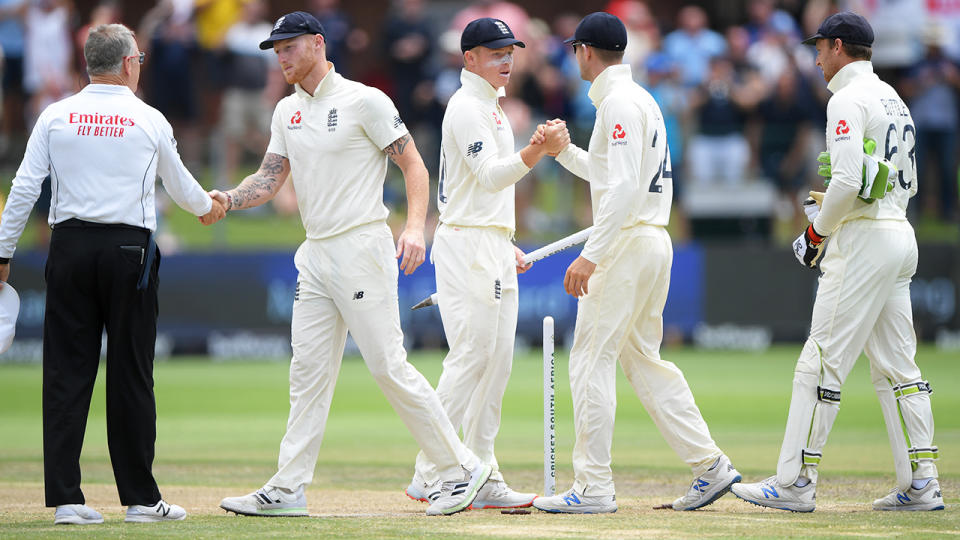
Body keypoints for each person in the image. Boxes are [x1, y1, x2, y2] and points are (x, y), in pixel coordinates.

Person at [214, 11, 493, 517]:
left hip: (362, 246)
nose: (281, 57)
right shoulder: (285, 112)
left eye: (289, 47)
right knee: (308, 372)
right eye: (275, 50)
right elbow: (270, 178)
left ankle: (459, 470)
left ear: (318, 43)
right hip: (315, 253)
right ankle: (288, 487)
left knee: (388, 366)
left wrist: (413, 228)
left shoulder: (365, 100)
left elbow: (412, 162)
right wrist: (228, 200)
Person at [0, 23, 225, 525]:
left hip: (70, 247)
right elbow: (184, 187)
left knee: (65, 371)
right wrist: (210, 207)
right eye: (139, 59)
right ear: (128, 64)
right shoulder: (148, 118)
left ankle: (66, 500)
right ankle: (142, 500)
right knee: (131, 373)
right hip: (129, 251)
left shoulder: (55, 115)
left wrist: (1, 253)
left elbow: (23, 188)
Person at [731, 12, 944, 512]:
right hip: (898, 231)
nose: (817, 57)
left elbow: (848, 182)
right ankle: (922, 481)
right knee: (897, 367)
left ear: (840, 46)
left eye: (821, 47)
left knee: (820, 360)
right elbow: (884, 179)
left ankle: (794, 482)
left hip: (864, 241)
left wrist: (814, 233)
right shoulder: (894, 98)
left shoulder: (846, 99)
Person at [530, 12, 741, 514]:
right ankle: (709, 467)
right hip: (648, 239)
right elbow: (612, 177)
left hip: (626, 243)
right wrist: (562, 153)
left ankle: (594, 488)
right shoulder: (638, 98)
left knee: (589, 360)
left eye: (573, 50)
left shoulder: (620, 104)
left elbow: (622, 190)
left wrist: (591, 255)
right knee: (642, 361)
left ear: (584, 52)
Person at [403, 17, 568, 509]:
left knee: (496, 365)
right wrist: (537, 150)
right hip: (466, 245)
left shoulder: (492, 108)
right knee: (470, 358)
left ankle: (482, 469)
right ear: (469, 58)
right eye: (496, 52)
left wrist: (504, 240)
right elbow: (491, 176)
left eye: (511, 51)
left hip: (489, 241)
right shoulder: (466, 107)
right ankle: (432, 472)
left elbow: (484, 191)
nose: (507, 60)